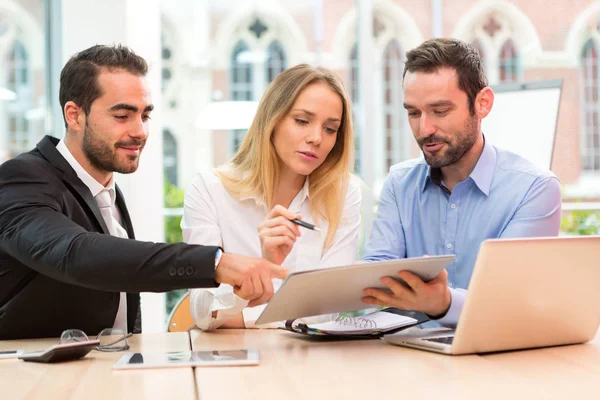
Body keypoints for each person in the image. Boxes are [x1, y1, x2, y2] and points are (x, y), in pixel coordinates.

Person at [0, 45, 287, 340]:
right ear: (74, 116)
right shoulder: (21, 179)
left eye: (145, 116)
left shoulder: (105, 191)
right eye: (122, 116)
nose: (140, 132)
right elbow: (76, 252)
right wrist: (214, 263)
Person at [360, 38, 562, 327]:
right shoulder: (399, 183)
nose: (424, 129)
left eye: (440, 111)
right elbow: (375, 278)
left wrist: (443, 304)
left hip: (496, 360)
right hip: (407, 359)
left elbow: (510, 301)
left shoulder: (535, 189)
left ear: (482, 104)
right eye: (413, 113)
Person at [183, 64, 361, 330]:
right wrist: (262, 269)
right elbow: (202, 312)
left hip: (311, 360)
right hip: (234, 362)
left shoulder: (344, 194)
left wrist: (238, 318)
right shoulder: (209, 190)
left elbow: (330, 306)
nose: (316, 138)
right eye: (302, 121)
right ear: (272, 120)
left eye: (330, 129)